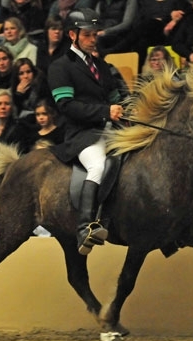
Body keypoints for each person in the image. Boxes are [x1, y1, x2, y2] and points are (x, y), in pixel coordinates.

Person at [48, 8, 125, 255]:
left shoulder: (101, 66)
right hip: (82, 135)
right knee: (98, 166)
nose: (94, 39)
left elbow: (116, 98)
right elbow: (66, 106)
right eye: (89, 35)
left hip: (110, 131)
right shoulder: (60, 67)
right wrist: (105, 112)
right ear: (73, 35)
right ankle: (85, 227)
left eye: (95, 34)